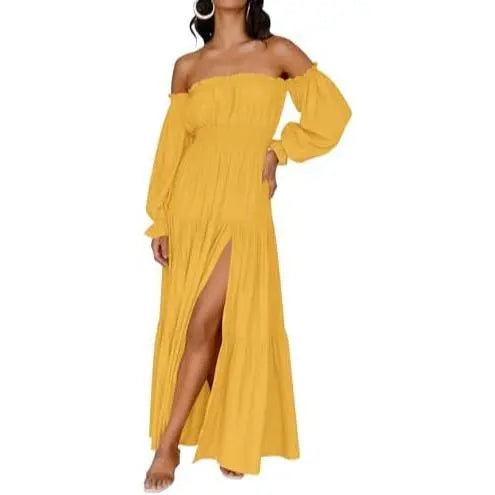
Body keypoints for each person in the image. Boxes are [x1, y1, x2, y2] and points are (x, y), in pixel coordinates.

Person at [143, 0, 351, 491]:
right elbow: (172, 147)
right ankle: (228, 431)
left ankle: (167, 445)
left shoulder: (276, 52)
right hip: (192, 204)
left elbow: (333, 114)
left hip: (244, 202)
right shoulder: (188, 66)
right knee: (203, 323)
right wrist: (161, 219)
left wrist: (279, 151)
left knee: (206, 319)